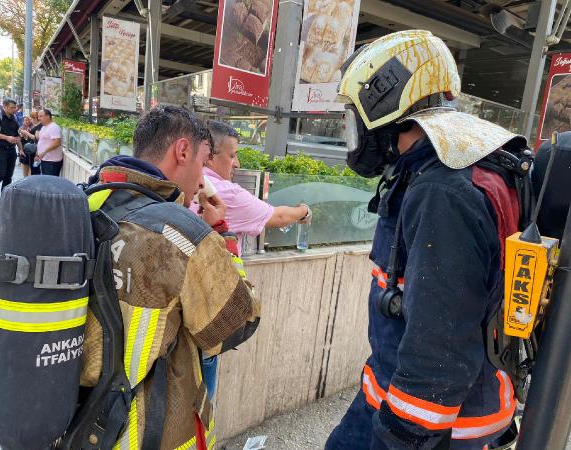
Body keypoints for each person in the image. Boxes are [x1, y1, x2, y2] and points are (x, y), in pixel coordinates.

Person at [325, 30, 526, 450]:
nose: (355, 129)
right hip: (432, 400)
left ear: (385, 99)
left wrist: (405, 436)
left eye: (355, 114)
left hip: (430, 421)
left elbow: (440, 343)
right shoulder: (460, 167)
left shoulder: (443, 190)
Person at [81, 105, 260, 449]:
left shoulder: (90, 200)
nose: (204, 175)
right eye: (204, 160)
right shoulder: (181, 234)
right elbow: (239, 321)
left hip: (78, 426)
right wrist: (221, 234)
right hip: (144, 432)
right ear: (182, 151)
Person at [191, 120, 312, 256]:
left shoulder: (186, 181)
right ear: (210, 157)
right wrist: (304, 211)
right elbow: (280, 217)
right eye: (232, 156)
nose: (237, 163)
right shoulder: (230, 194)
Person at [0, 98, 23, 206]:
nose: (14, 109)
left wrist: (20, 149)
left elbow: (16, 136)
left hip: (11, 150)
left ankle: (4, 197)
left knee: (8, 176)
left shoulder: (14, 117)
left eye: (15, 107)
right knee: (0, 173)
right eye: (12, 107)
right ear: (5, 106)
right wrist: (6, 138)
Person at [35, 109, 63, 176]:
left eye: (41, 116)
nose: (39, 118)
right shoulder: (44, 127)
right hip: (44, 159)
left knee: (50, 183)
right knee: (45, 182)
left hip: (52, 162)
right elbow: (41, 142)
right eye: (38, 116)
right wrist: (37, 154)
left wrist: (44, 152)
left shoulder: (54, 127)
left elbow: (57, 142)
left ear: (48, 116)